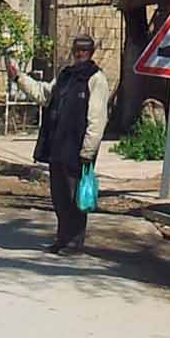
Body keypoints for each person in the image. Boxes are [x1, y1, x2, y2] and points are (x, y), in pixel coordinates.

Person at [9, 37, 109, 254]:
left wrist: (88, 151)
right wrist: (19, 77)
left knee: (75, 198)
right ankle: (62, 238)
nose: (80, 53)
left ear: (91, 52)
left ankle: (75, 241)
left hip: (77, 149)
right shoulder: (65, 76)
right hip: (57, 145)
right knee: (60, 196)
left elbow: (97, 118)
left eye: (84, 50)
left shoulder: (96, 79)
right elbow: (44, 94)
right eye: (77, 50)